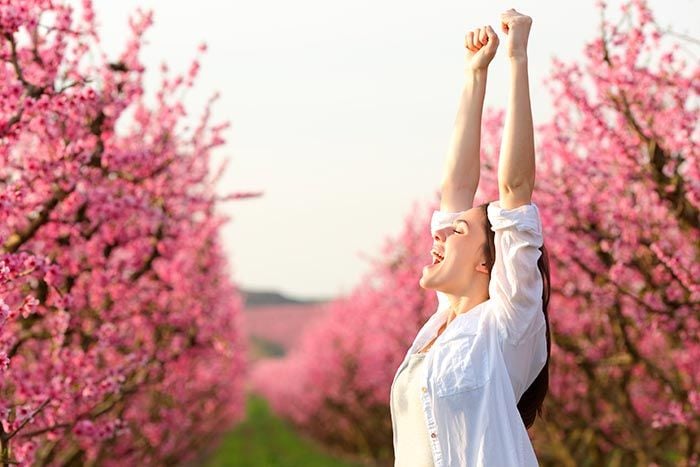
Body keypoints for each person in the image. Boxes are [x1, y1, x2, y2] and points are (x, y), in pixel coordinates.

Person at [389, 8, 552, 467]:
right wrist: (474, 74)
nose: (438, 237)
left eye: (456, 231)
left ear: (487, 262)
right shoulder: (435, 332)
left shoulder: (508, 325)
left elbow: (515, 192)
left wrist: (517, 56)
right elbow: (455, 189)